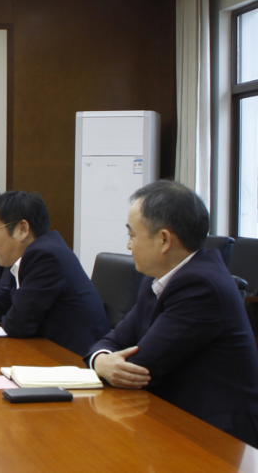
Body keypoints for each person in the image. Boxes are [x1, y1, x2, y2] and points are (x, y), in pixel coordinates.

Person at [85, 181, 258, 447]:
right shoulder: (159, 277)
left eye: (132, 235)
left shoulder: (202, 286)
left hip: (215, 436)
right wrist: (100, 360)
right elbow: (113, 339)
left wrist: (106, 362)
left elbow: (141, 368)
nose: (129, 245)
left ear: (164, 240)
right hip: (174, 417)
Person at [0, 190, 109, 356]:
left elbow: (18, 325)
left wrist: (5, 319)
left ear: (22, 229)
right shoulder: (26, 256)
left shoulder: (44, 257)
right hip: (45, 353)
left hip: (72, 360)